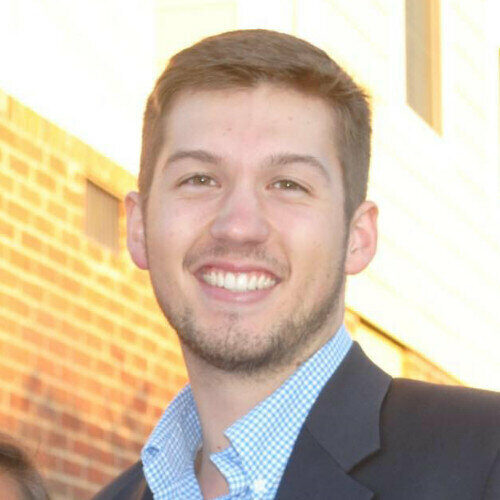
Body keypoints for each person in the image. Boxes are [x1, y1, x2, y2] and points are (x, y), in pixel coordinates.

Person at [94, 30, 500, 499]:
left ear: (357, 237)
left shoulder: (484, 463)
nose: (238, 225)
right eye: (200, 178)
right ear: (140, 227)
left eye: (288, 184)